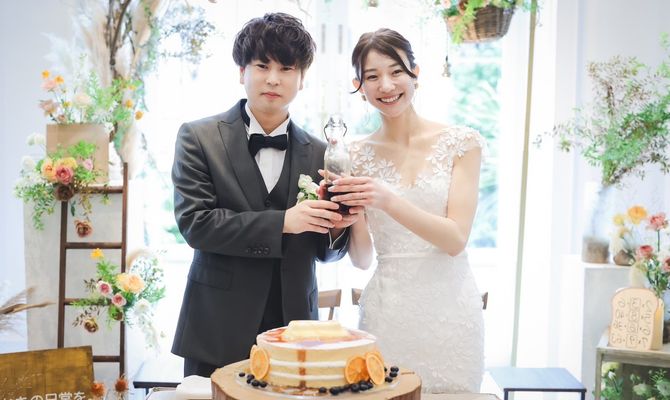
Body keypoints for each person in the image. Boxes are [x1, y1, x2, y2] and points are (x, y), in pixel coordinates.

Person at [171, 12, 357, 378]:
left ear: (301, 79)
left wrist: (338, 227)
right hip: (217, 327)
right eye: (262, 66)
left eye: (286, 68)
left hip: (295, 329)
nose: (273, 78)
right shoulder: (198, 138)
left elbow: (327, 252)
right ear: (242, 71)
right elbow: (196, 225)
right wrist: (283, 222)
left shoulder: (322, 153)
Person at [326, 28, 485, 393]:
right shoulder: (353, 154)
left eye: (396, 71)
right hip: (388, 312)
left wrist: (387, 199)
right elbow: (362, 259)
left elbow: (455, 239)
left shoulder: (462, 143)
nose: (386, 85)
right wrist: (351, 218)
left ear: (416, 73)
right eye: (372, 76)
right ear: (359, 86)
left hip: (452, 314)